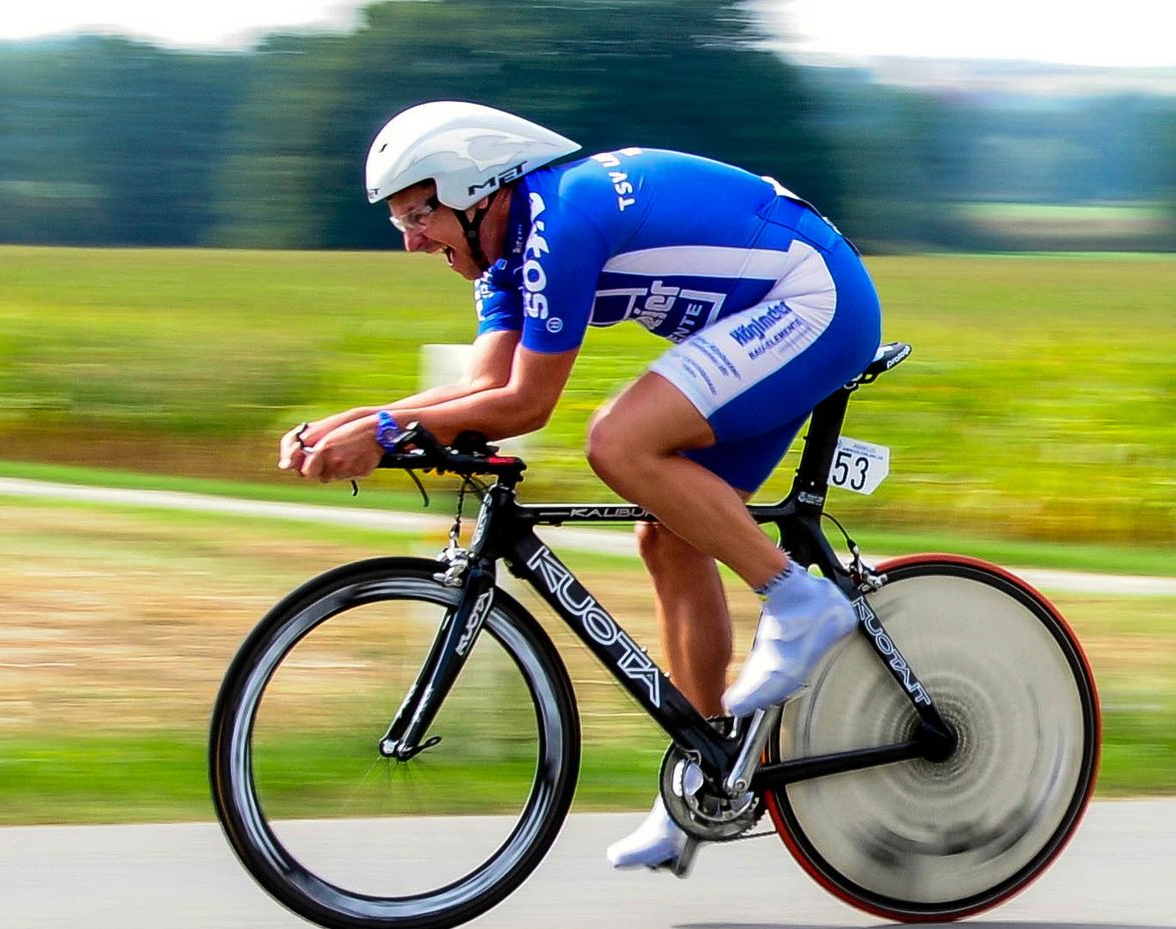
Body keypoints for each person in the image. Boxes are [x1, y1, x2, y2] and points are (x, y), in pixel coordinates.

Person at [277, 100, 881, 874]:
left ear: (474, 187)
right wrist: (357, 423)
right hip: (770, 315)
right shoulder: (504, 257)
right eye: (399, 220)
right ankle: (707, 776)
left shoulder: (561, 221)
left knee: (618, 441)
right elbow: (483, 387)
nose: (410, 240)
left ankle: (801, 602)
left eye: (419, 214)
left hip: (811, 301)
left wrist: (386, 436)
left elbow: (526, 406)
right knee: (667, 532)